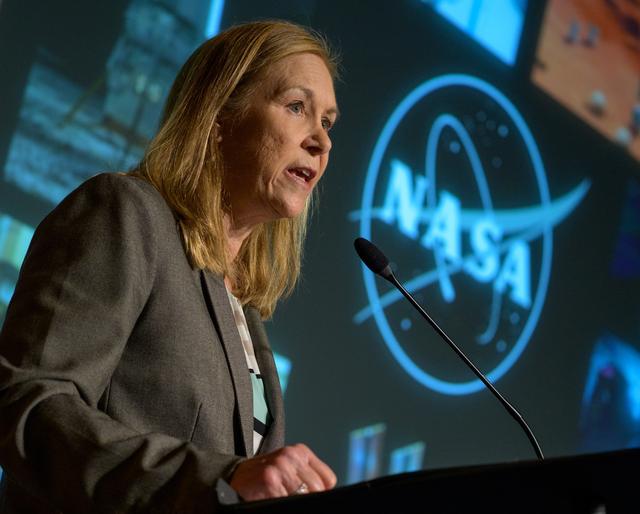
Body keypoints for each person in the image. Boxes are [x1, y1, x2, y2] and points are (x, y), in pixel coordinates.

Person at [0, 19, 339, 513]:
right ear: (220, 116)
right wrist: (217, 479)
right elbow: (28, 402)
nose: (321, 142)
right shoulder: (125, 214)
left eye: (327, 122)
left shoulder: (242, 309)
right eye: (296, 107)